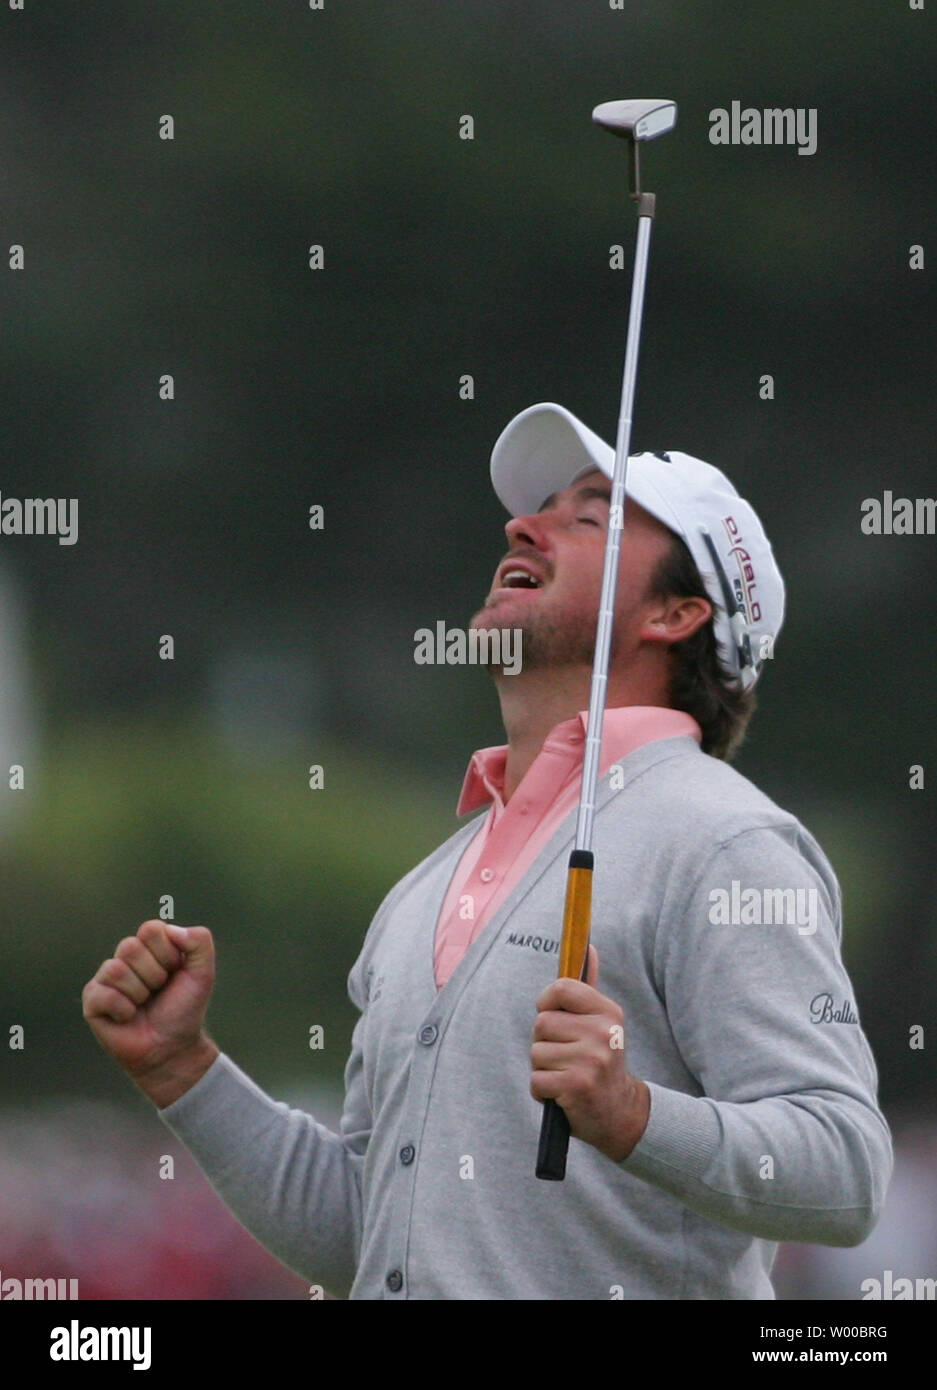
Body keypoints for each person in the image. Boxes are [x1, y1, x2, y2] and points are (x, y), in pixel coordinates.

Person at [82, 402, 892, 1300]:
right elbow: (369, 1230)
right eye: (535, 508)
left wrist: (631, 1115)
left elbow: (844, 1172)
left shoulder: (724, 842)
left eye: (586, 517)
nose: (520, 524)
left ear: (675, 611)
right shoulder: (427, 884)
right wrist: (185, 1072)